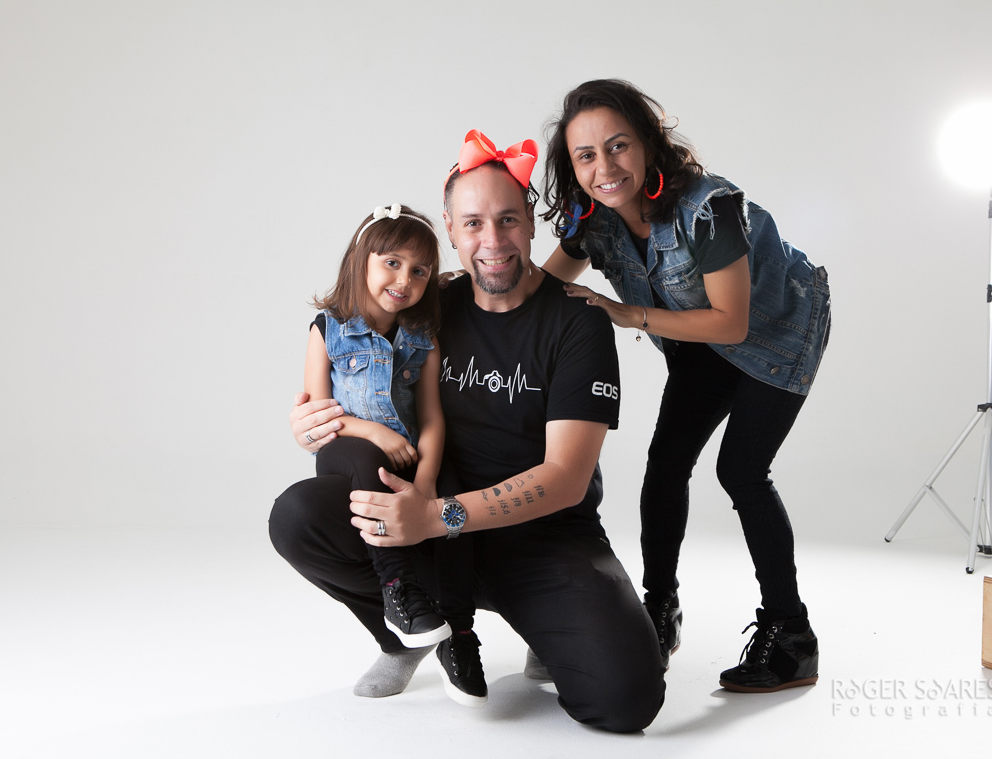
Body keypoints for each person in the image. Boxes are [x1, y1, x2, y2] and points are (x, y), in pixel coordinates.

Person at [270, 129, 665, 732]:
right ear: (451, 233)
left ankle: (544, 625)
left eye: (508, 220)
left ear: (530, 224)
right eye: (473, 223)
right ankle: (410, 630)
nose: (493, 240)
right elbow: (351, 355)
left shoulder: (577, 321)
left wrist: (435, 515)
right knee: (298, 516)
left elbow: (565, 478)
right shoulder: (428, 305)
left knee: (626, 700)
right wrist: (316, 423)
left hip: (540, 537)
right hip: (429, 535)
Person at [540, 79, 830, 693]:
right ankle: (660, 610)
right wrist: (472, 285)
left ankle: (792, 635)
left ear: (648, 143)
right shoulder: (594, 219)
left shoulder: (708, 207)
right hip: (701, 338)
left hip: (777, 330)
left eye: (618, 146)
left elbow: (732, 322)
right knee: (666, 465)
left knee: (741, 471)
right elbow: (543, 291)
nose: (604, 168)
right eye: (586, 156)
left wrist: (625, 314)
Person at [302, 202, 486, 706]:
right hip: (346, 457)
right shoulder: (328, 328)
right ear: (360, 259)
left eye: (420, 270)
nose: (404, 279)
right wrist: (374, 433)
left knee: (452, 501)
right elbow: (320, 414)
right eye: (392, 262)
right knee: (366, 459)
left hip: (408, 461)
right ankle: (399, 589)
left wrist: (425, 487)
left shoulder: (421, 338)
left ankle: (458, 634)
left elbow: (431, 418)